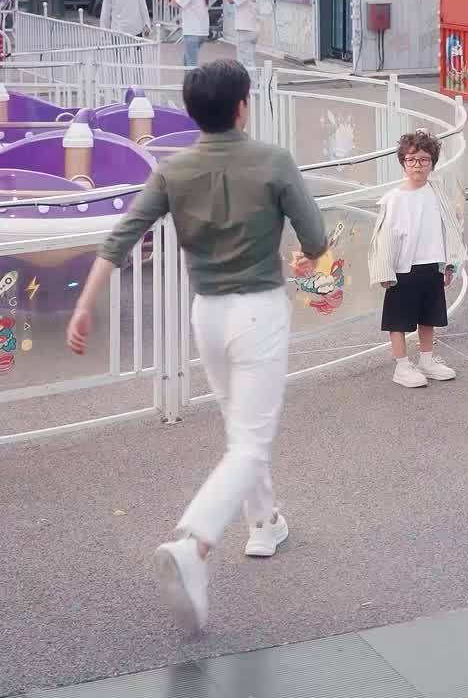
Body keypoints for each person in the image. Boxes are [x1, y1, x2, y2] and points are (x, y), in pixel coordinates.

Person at [66, 59, 328, 634]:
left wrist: (85, 304)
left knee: (240, 429)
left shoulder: (173, 170)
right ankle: (195, 543)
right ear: (242, 107)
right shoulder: (273, 161)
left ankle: (265, 523)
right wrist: (306, 250)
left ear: (192, 112)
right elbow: (315, 239)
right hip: (259, 310)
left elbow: (121, 236)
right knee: (251, 441)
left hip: (206, 312)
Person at [367, 129, 465, 388]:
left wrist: (450, 263)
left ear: (432, 163)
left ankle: (427, 360)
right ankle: (402, 366)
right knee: (398, 319)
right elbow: (383, 238)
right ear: (403, 163)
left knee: (429, 316)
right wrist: (385, 270)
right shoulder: (394, 199)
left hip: (431, 264)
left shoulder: (437, 192)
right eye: (411, 159)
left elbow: (449, 228)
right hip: (403, 268)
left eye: (424, 159)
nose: (418, 165)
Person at [223, 0, 261, 70]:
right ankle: (250, 80)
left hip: (245, 28)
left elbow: (231, 0)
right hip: (252, 27)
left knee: (245, 61)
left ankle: (251, 81)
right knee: (248, 59)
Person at [171, 0, 210, 68]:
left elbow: (176, 4)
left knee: (191, 63)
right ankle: (189, 78)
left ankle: (193, 79)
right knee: (186, 58)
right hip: (202, 31)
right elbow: (183, 0)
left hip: (192, 31)